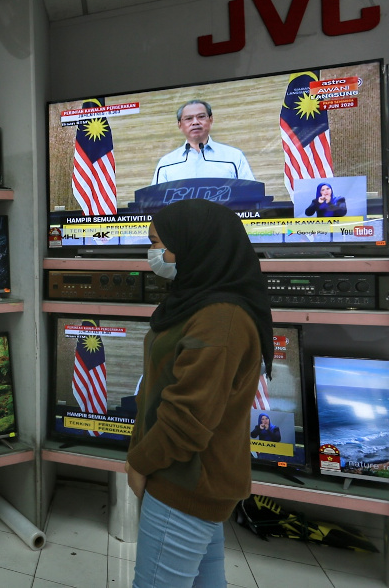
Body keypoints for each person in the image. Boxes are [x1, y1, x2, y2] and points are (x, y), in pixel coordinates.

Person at [126, 198, 273, 587]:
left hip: (185, 483)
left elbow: (187, 421)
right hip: (189, 478)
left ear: (194, 244)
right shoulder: (197, 302)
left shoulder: (219, 320)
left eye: (158, 242)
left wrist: (139, 463)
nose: (153, 253)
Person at [151, 100, 255, 185]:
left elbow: (251, 193)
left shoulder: (234, 157)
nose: (195, 122)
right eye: (188, 118)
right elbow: (154, 201)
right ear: (180, 125)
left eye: (201, 117)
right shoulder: (166, 163)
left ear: (210, 120)